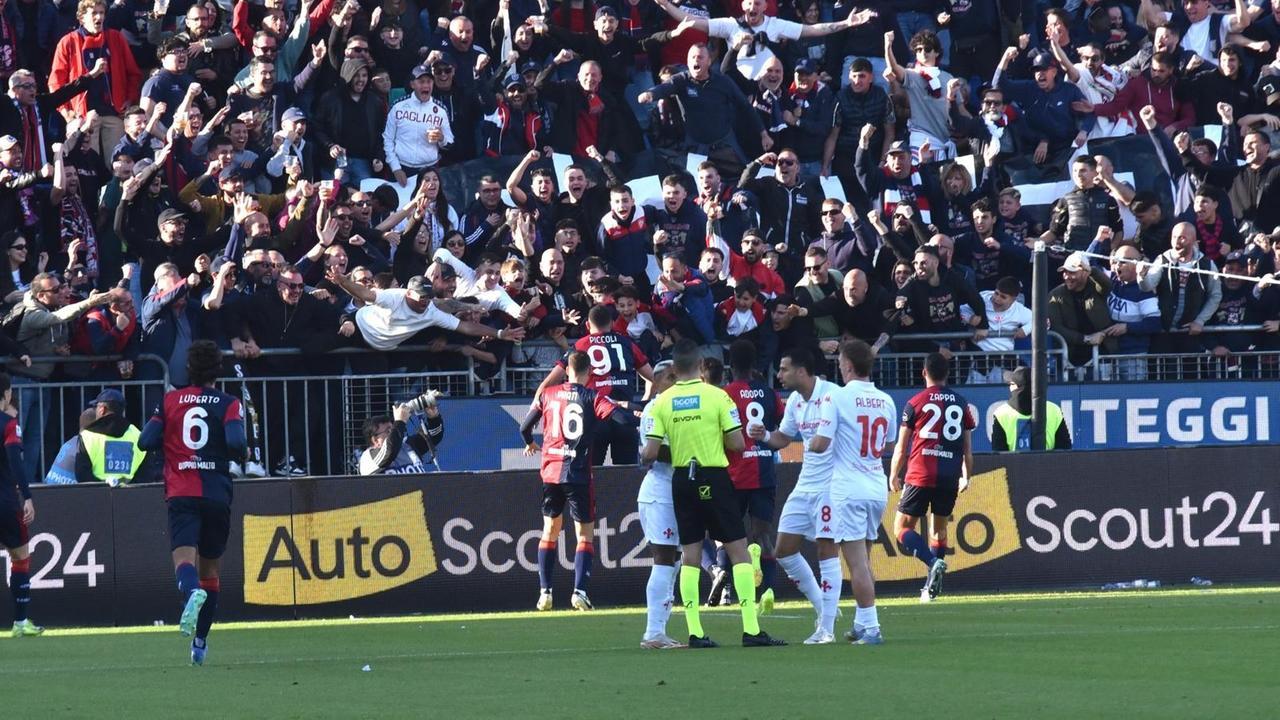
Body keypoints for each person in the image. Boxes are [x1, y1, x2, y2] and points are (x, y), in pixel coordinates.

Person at [641, 338, 784, 648]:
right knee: (738, 550)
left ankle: (695, 633)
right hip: (714, 476)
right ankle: (751, 630)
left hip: (681, 479)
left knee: (690, 555)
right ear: (699, 366)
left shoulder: (662, 403)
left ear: (675, 369)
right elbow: (736, 443)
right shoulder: (717, 396)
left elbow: (649, 451)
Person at [138, 340, 247, 666]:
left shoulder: (170, 401)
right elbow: (236, 443)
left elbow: (145, 440)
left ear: (189, 369)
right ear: (218, 370)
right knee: (210, 570)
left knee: (184, 561)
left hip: (182, 491)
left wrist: (172, 446)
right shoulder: (229, 403)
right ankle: (199, 644)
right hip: (215, 491)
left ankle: (190, 592)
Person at [520, 351, 638, 612]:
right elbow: (621, 420)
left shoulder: (548, 394)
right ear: (590, 372)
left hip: (551, 472)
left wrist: (530, 443)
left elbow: (524, 427)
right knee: (584, 535)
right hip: (578, 473)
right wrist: (636, 416)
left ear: (566, 371)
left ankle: (545, 593)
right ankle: (579, 592)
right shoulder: (593, 396)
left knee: (549, 530)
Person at [746, 347, 838, 642]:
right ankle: (824, 609)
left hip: (831, 485)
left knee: (826, 549)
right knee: (783, 549)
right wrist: (764, 437)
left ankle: (827, 628)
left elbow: (825, 442)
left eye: (784, 369)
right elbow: (783, 438)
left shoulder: (831, 395)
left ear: (801, 371)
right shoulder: (796, 400)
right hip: (805, 483)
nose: (780, 375)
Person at [886, 352, 975, 603]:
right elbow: (968, 449)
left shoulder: (915, 402)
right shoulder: (961, 403)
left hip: (920, 474)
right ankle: (930, 589)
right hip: (949, 475)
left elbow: (902, 448)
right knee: (939, 530)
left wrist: (893, 474)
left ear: (924, 372)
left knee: (902, 528)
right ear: (947, 374)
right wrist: (967, 476)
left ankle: (933, 562)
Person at [829, 339, 896, 645]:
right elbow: (889, 444)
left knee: (855, 562)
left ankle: (872, 626)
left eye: (840, 361)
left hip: (849, 485)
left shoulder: (839, 398)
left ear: (848, 366)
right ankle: (860, 622)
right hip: (875, 484)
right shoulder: (886, 400)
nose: (839, 366)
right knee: (864, 559)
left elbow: (823, 439)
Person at [534, 304, 654, 465]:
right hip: (625, 415)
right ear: (612, 324)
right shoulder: (626, 343)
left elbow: (549, 382)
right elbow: (654, 377)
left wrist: (535, 407)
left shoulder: (580, 345)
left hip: (594, 417)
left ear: (588, 325)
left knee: (591, 473)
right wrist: (644, 400)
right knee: (628, 475)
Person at [721, 340, 783, 612]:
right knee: (763, 534)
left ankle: (733, 593)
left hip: (734, 474)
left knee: (732, 537)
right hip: (764, 470)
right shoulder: (769, 393)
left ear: (730, 366)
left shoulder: (725, 394)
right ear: (755, 364)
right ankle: (767, 590)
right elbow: (780, 424)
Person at [636, 362, 683, 649]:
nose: (677, 381)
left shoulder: (677, 409)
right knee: (665, 559)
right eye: (671, 377)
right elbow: (653, 454)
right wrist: (691, 448)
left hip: (676, 492)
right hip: (659, 492)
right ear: (658, 381)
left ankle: (660, 631)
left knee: (674, 562)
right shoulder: (654, 410)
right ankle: (653, 632)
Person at [0, 372, 39, 637]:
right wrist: (27, 496)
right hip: (4, 502)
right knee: (20, 557)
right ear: (8, 393)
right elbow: (16, 462)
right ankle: (21, 621)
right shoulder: (9, 424)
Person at [74, 388, 148, 486]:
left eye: (96, 407)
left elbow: (81, 475)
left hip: (96, 496)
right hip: (130, 496)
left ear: (102, 409)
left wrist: (103, 487)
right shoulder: (137, 435)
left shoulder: (87, 436)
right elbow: (146, 474)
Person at [991, 366, 1073, 451]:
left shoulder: (1001, 414)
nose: (1009, 387)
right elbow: (1065, 451)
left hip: (1014, 464)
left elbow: (999, 456)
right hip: (1050, 463)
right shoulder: (1054, 410)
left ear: (1020, 389)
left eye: (1012, 384)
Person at [359, 395, 445, 475]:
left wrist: (434, 417)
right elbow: (389, 452)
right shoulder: (367, 458)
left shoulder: (407, 445)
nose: (393, 432)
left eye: (392, 429)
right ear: (375, 440)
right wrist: (399, 422)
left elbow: (434, 437)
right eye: (388, 431)